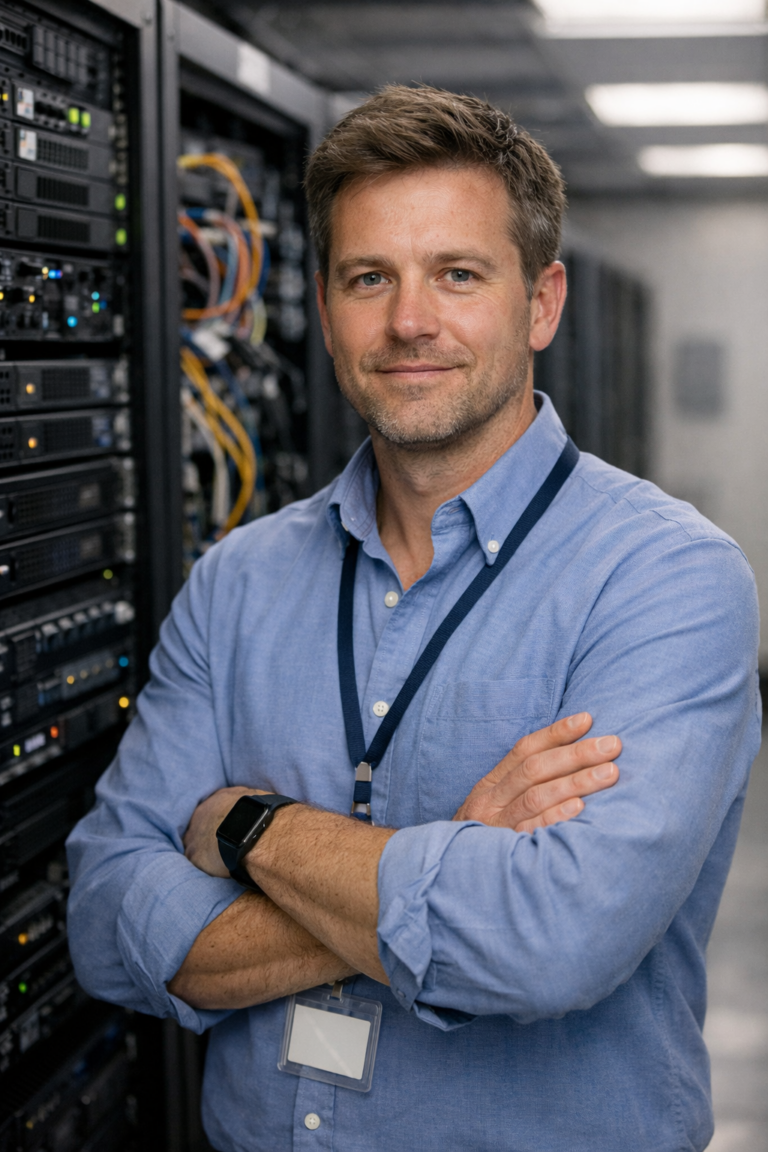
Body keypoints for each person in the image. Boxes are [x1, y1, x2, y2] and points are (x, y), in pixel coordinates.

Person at [67, 85, 760, 1152]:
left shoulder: (666, 580)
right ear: (333, 307)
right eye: (368, 277)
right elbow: (109, 926)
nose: (409, 322)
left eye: (459, 274)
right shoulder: (237, 581)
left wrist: (252, 831)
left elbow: (547, 944)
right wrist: (449, 863)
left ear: (542, 303)